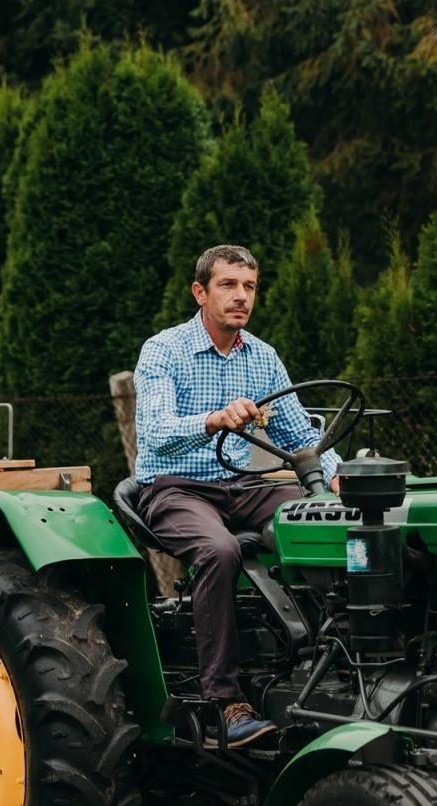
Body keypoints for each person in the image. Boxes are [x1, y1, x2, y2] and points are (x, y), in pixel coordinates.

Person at [133, 244, 342, 748]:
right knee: (219, 550)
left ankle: (335, 665)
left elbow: (298, 437)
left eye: (249, 287)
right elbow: (156, 430)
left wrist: (334, 476)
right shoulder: (163, 350)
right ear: (200, 292)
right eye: (228, 286)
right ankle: (224, 703)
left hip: (244, 486)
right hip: (175, 486)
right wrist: (213, 419)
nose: (240, 297)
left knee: (325, 521)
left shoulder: (263, 356)